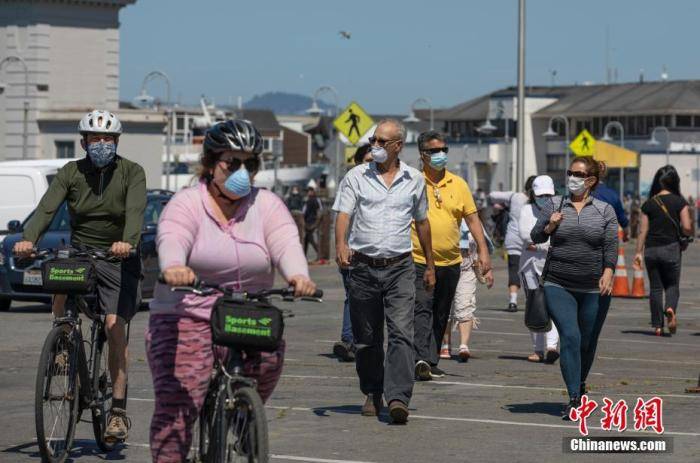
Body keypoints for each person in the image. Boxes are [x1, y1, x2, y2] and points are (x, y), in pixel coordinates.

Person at [147, 119, 317, 462]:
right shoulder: (186, 203)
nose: (243, 171)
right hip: (188, 313)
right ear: (210, 165)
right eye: (232, 163)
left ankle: (242, 417)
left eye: (250, 164)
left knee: (269, 360)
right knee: (177, 409)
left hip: (246, 310)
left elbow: (285, 240)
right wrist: (174, 267)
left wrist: (299, 276)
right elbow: (173, 235)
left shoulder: (266, 204)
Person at [14, 110, 146, 442]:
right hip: (82, 251)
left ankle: (117, 411)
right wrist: (29, 238)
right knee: (60, 270)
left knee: (114, 325)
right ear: (83, 141)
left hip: (118, 256)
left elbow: (135, 212)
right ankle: (62, 338)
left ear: (116, 142)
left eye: (108, 139)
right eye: (95, 139)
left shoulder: (132, 172)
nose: (102, 144)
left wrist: (127, 242)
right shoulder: (71, 172)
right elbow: (47, 207)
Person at [334, 119, 435, 424]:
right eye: (373, 140)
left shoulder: (415, 180)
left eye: (381, 141)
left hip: (400, 267)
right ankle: (373, 390)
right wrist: (340, 243)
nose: (374, 146)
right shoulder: (356, 177)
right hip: (363, 267)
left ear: (397, 146)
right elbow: (343, 213)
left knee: (402, 334)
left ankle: (398, 397)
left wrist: (429, 264)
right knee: (367, 339)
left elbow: (422, 222)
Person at [531, 156, 618, 419]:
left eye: (578, 174)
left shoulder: (604, 210)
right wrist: (550, 225)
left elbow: (611, 246)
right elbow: (536, 236)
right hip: (559, 283)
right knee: (570, 336)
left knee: (587, 343)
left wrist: (608, 272)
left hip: (594, 287)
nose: (572, 178)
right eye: (571, 172)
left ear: (591, 181)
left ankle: (580, 384)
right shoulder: (554, 204)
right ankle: (573, 398)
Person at [411, 130, 493, 380]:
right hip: (419, 259)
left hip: (452, 259)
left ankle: (432, 358)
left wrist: (483, 249)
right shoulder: (413, 181)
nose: (440, 155)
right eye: (434, 151)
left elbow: (472, 218)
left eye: (443, 150)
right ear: (422, 154)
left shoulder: (458, 184)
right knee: (422, 307)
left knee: (442, 310)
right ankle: (419, 358)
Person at [634, 166, 693, 336]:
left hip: (651, 250)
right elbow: (688, 227)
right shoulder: (680, 202)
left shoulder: (649, 204)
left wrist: (638, 252)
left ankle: (657, 326)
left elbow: (642, 231)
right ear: (675, 182)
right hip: (671, 249)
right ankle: (670, 308)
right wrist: (685, 235)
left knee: (655, 288)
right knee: (672, 285)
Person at [332, 143, 373, 362]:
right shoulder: (350, 182)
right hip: (353, 251)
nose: (371, 165)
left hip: (376, 253)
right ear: (357, 163)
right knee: (352, 297)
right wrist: (341, 247)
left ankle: (362, 341)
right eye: (367, 161)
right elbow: (341, 218)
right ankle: (348, 341)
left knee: (368, 301)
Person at [518, 175, 559, 364]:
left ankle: (552, 346)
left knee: (554, 306)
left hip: (554, 264)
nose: (544, 198)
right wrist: (546, 241)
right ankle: (537, 349)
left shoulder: (560, 208)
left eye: (548, 195)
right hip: (530, 267)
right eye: (540, 195)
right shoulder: (526, 210)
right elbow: (525, 235)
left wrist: (540, 243)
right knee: (535, 306)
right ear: (533, 194)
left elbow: (560, 237)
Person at [440, 218, 494, 362]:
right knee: (445, 306)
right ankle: (446, 344)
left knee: (465, 304)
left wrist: (487, 270)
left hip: (468, 268)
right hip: (445, 267)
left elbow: (484, 245)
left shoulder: (473, 220)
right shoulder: (444, 215)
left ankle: (464, 345)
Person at [489, 176, 536, 312]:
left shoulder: (514, 196)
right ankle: (532, 301)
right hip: (531, 240)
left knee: (514, 270)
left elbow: (492, 195)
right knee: (531, 271)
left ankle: (513, 301)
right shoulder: (539, 201)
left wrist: (504, 204)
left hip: (514, 239)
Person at [591, 162, 630, 241]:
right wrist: (626, 235)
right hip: (608, 240)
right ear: (605, 175)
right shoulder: (613, 195)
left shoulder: (583, 193)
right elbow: (622, 220)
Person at [302, 186, 323, 261]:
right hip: (308, 222)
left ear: (313, 192)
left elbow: (319, 211)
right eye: (307, 191)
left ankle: (320, 255)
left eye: (309, 191)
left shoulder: (315, 200)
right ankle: (303, 257)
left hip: (311, 222)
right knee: (307, 239)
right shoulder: (309, 200)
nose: (308, 192)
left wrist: (316, 223)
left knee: (310, 239)